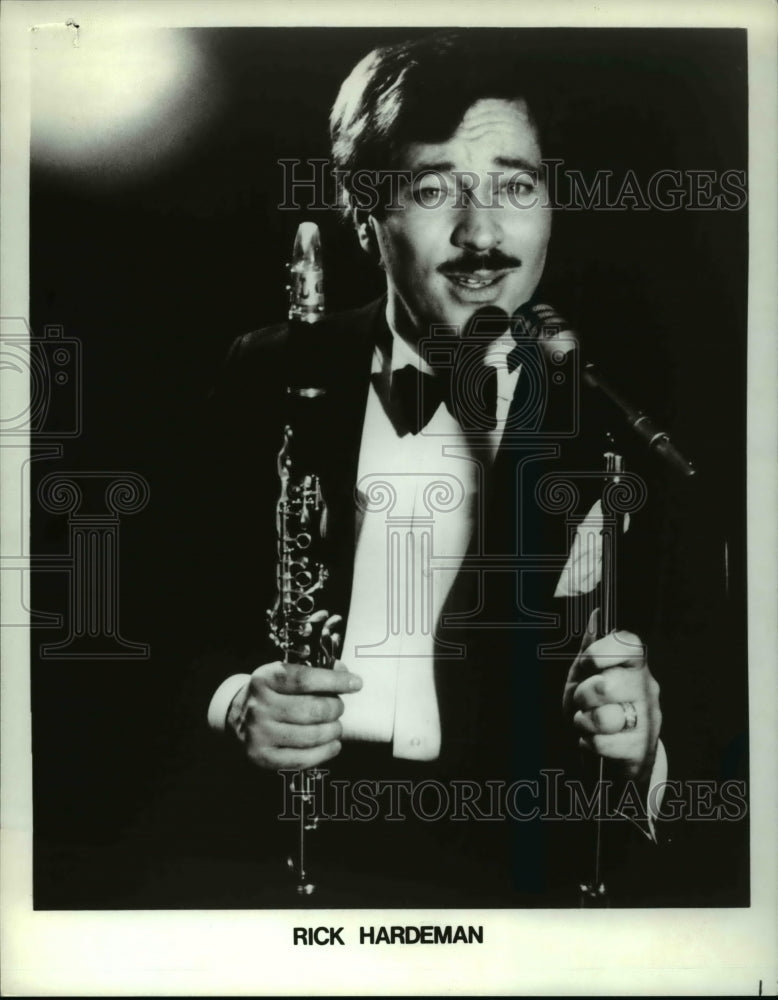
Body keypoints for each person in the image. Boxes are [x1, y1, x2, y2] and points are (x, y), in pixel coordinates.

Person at [193, 32, 734, 908]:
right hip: (282, 855)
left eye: (516, 187)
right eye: (434, 187)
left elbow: (719, 714)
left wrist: (647, 746)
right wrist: (233, 704)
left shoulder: (623, 423)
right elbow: (143, 631)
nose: (484, 234)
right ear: (364, 213)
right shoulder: (265, 372)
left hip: (516, 877)